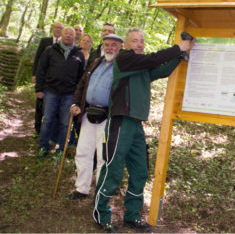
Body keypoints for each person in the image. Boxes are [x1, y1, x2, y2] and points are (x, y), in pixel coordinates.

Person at [93, 28, 195, 233]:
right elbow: (153, 60)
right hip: (121, 121)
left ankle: (132, 216)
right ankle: (101, 215)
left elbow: (161, 70)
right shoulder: (125, 59)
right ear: (127, 44)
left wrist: (180, 57)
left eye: (142, 41)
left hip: (137, 125)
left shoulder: (140, 67)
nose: (139, 44)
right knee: (113, 168)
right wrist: (177, 48)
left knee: (140, 171)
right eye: (135, 41)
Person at [68, 34, 123, 200]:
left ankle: (101, 193)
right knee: (83, 152)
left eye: (114, 45)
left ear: (120, 47)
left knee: (103, 156)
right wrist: (75, 103)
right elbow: (82, 85)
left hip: (108, 118)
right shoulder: (96, 62)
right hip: (88, 114)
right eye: (106, 44)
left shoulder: (122, 66)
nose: (109, 48)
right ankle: (81, 188)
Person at [35, 27, 85, 158]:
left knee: (65, 122)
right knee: (47, 120)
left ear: (75, 37)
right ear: (61, 35)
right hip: (51, 91)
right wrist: (39, 89)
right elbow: (41, 70)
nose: (68, 36)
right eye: (66, 33)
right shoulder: (50, 50)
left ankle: (61, 150)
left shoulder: (78, 54)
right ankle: (43, 147)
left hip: (69, 94)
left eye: (71, 34)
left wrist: (77, 96)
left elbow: (81, 77)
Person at [32, 21, 64, 134]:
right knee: (39, 103)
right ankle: (37, 128)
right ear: (52, 29)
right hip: (43, 77)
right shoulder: (45, 41)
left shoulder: (64, 45)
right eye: (56, 27)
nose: (58, 30)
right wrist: (34, 74)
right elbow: (38, 58)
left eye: (60, 28)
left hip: (54, 81)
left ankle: (49, 130)